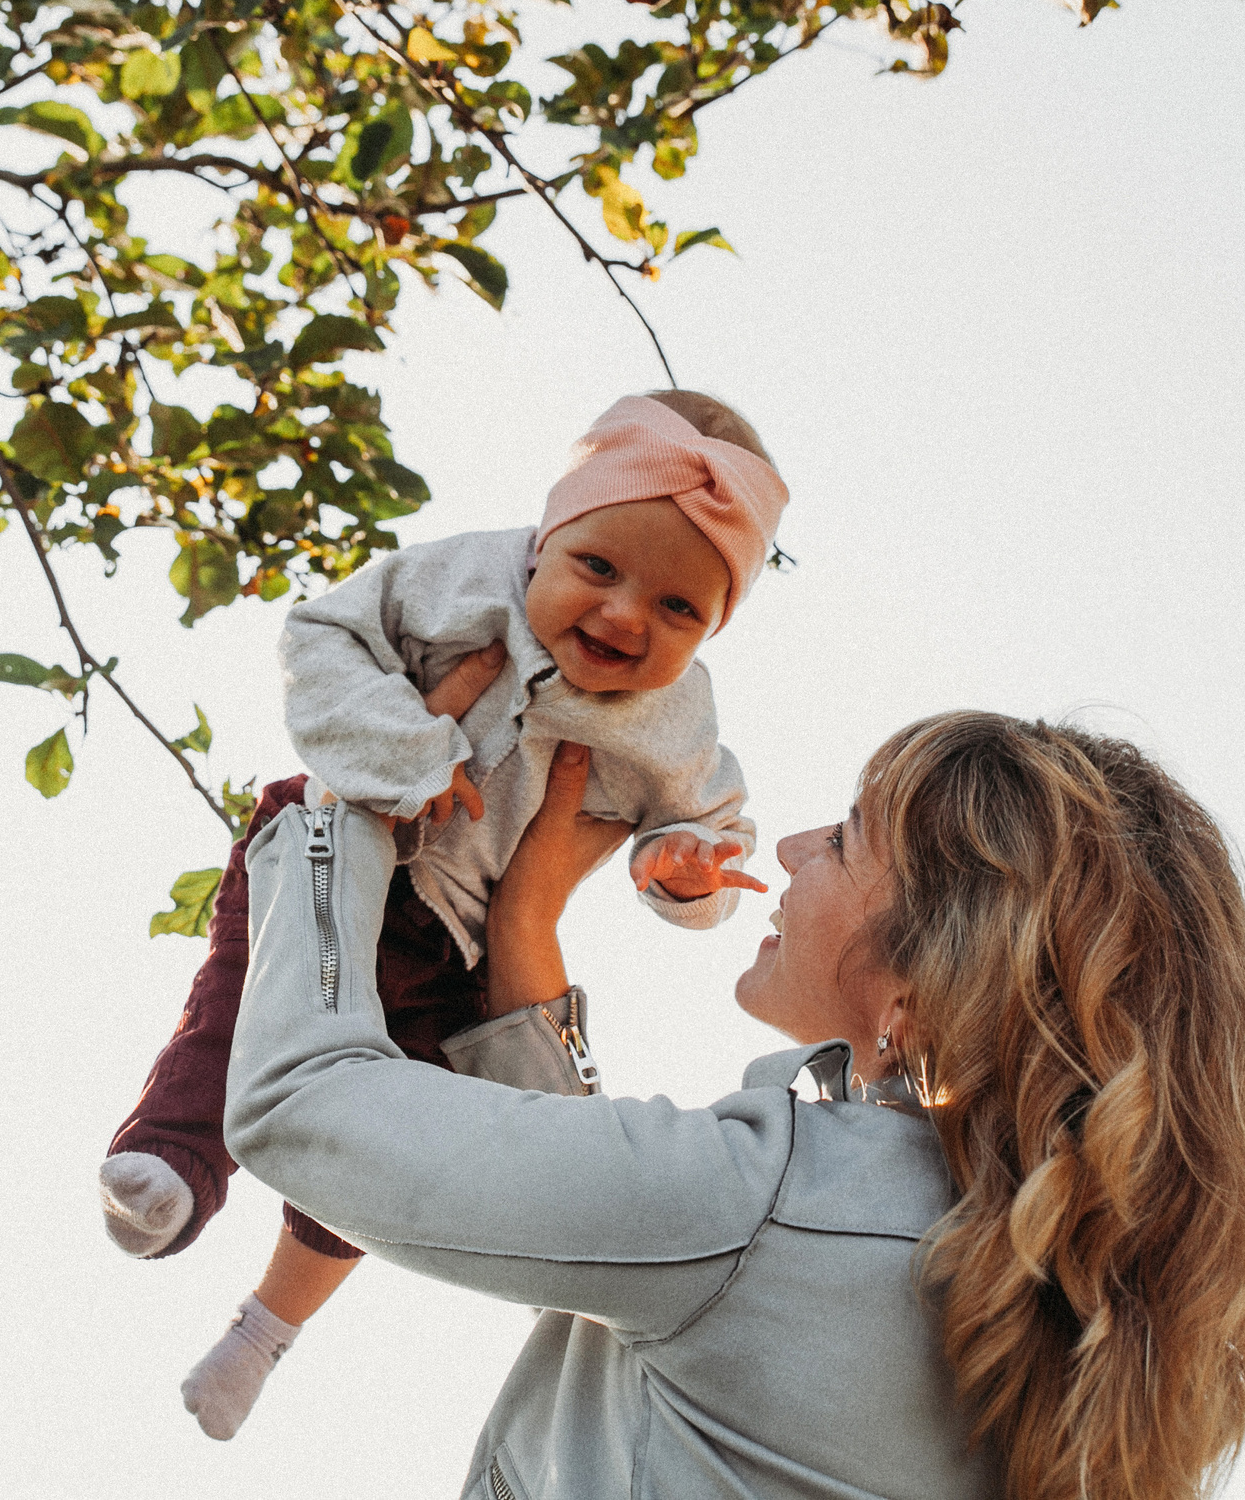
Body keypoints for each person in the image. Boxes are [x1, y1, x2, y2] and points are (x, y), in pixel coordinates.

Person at [225, 709, 1245, 1500]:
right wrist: (523, 934)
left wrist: (340, 804)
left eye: (845, 838)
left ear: (924, 976)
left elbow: (299, 1107)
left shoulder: (774, 1202)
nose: (791, 849)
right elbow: (648, 1271)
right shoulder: (1017, 1287)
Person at [97, 391, 791, 1438]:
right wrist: (407, 751)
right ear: (547, 536)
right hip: (340, 830)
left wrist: (683, 870)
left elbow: (703, 822)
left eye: (677, 610)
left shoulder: (678, 718)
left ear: (713, 625)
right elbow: (323, 634)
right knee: (238, 1003)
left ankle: (265, 1330)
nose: (621, 617)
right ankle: (174, 1157)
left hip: (454, 931)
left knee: (388, 1129)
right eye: (597, 569)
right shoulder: (465, 578)